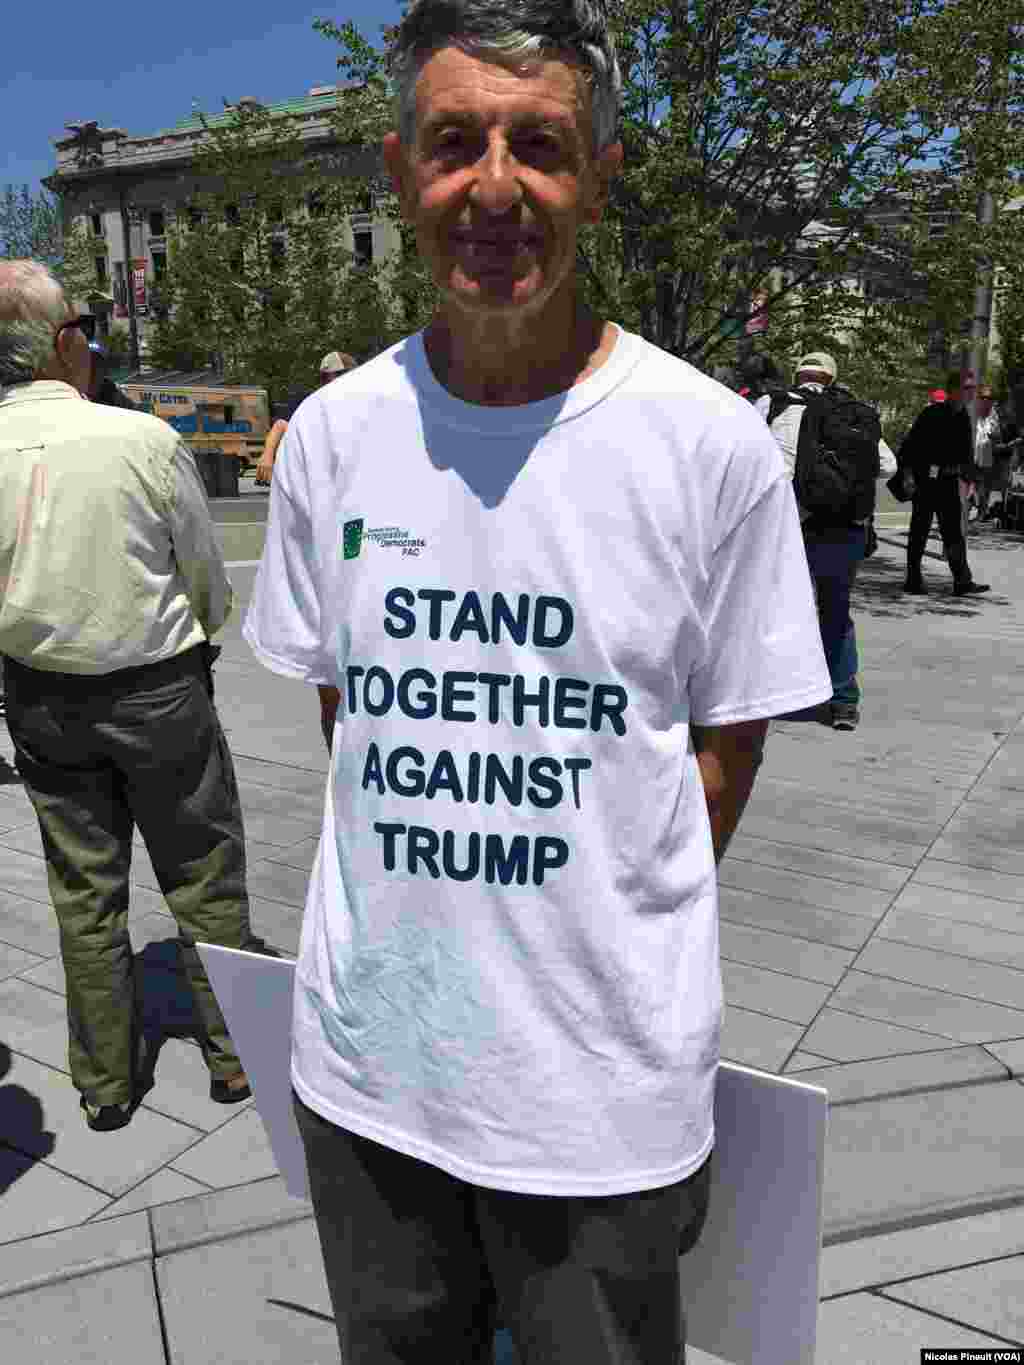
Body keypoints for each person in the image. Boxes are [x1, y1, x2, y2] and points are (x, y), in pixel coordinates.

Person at [244, 4, 831, 1363]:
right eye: (456, 143)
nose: (495, 187)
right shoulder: (335, 437)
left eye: (540, 146)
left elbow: (722, 759)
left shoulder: (710, 447)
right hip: (368, 1077)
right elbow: (355, 719)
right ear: (401, 172)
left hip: (598, 1103)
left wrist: (586, 907)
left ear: (600, 178)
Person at [0, 259, 261, 1132]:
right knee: (204, 873)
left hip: (39, 696)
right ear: (65, 343)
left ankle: (107, 1082)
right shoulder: (139, 440)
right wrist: (201, 638)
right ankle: (234, 1056)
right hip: (157, 689)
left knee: (84, 889)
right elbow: (204, 576)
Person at [756, 351, 895, 732]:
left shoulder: (772, 404)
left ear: (797, 374)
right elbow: (888, 466)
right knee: (835, 611)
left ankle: (775, 693)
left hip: (786, 525)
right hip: (841, 526)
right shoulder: (852, 410)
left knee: (773, 610)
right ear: (831, 379)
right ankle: (843, 701)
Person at [896, 372, 990, 595]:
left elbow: (965, 456)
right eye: (967, 388)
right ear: (954, 390)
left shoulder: (963, 417)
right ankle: (913, 580)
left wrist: (971, 482)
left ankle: (962, 582)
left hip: (948, 481)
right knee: (920, 529)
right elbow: (909, 447)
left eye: (973, 388)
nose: (972, 393)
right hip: (926, 480)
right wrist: (909, 476)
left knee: (953, 533)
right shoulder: (931, 413)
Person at [254, 350, 357, 485]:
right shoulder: (314, 403)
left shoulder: (359, 403)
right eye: (327, 377)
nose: (332, 381)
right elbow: (281, 425)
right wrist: (267, 457)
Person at [86, 340, 137, 409]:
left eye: (98, 364)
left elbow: (132, 408)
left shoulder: (111, 390)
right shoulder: (71, 391)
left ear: (104, 370)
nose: (93, 368)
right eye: (89, 363)